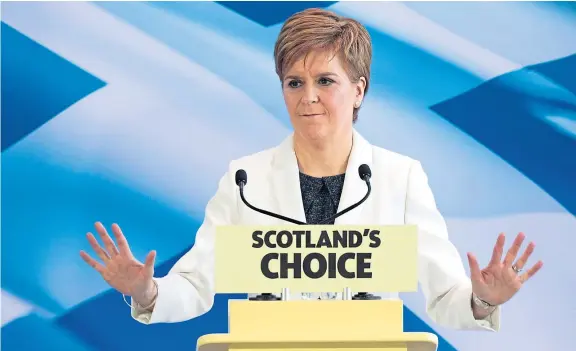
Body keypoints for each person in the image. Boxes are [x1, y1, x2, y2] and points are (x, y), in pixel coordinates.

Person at [79, 8, 543, 329]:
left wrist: (485, 300)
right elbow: (196, 285)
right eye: (294, 82)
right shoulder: (245, 181)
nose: (309, 97)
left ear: (358, 90)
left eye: (326, 81)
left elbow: (445, 298)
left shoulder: (400, 178)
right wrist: (146, 293)